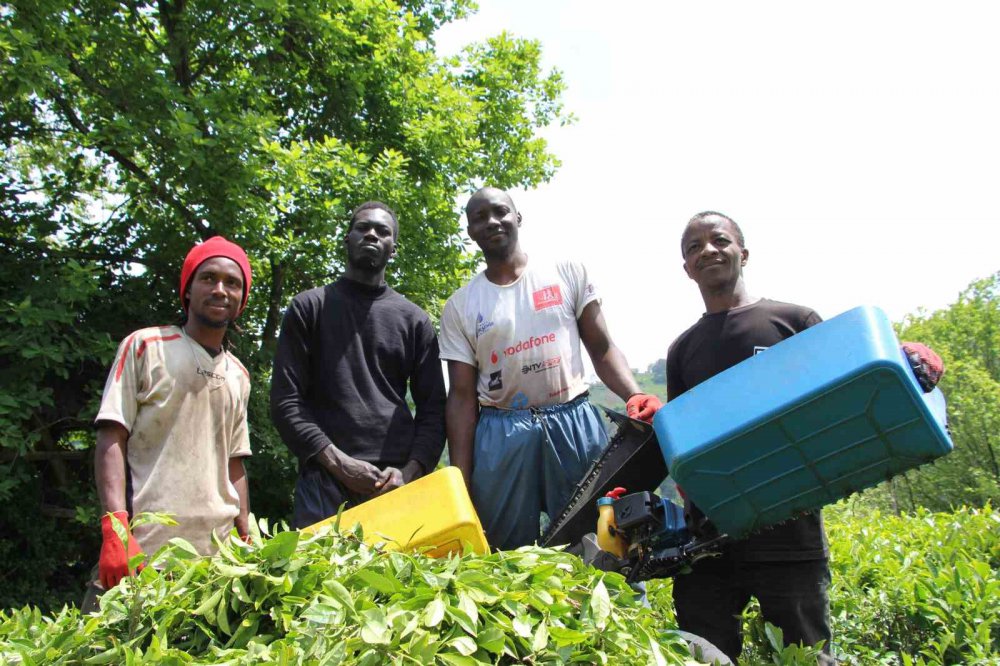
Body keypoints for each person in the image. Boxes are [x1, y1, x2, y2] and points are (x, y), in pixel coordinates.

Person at [440, 187, 662, 550]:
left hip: (572, 419)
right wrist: (460, 478)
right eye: (479, 217)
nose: (492, 222)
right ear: (470, 231)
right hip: (501, 431)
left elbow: (602, 347)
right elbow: (462, 397)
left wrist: (635, 394)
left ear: (518, 217)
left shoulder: (566, 273)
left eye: (500, 211)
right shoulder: (460, 306)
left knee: (599, 537)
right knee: (503, 550)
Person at [86, 236, 254, 608]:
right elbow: (112, 435)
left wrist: (246, 532)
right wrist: (115, 529)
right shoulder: (146, 347)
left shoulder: (239, 375)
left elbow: (234, 463)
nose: (220, 289)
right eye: (208, 278)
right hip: (144, 553)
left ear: (242, 300)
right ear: (188, 290)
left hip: (216, 563)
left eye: (232, 283)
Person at [271, 201, 446, 528]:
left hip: (393, 485)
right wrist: (339, 464)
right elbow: (286, 402)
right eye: (363, 227)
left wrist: (410, 473)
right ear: (347, 239)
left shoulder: (414, 321)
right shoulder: (309, 308)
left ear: (393, 248)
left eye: (383, 231)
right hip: (324, 480)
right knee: (317, 564)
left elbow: (434, 411)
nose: (372, 235)